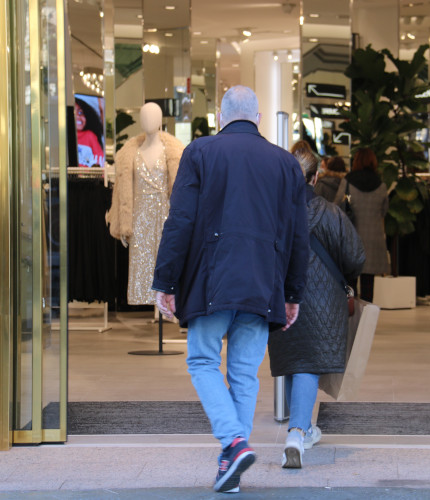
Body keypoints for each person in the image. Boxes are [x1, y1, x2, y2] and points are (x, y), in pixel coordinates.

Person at [152, 85, 309, 493]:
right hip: (262, 283)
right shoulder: (285, 163)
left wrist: (165, 281)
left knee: (203, 361)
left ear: (221, 117)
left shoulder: (200, 152)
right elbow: (297, 236)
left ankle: (233, 441)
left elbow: (180, 221)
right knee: (244, 373)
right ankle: (231, 465)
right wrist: (293, 293)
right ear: (256, 119)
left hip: (211, 280)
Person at [268, 147, 365, 469]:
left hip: (280, 299)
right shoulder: (332, 212)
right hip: (324, 301)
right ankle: (296, 433)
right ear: (315, 176)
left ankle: (305, 428)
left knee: (297, 361)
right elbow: (355, 259)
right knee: (307, 363)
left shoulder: (271, 212)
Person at [105, 102, 185, 305]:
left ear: (160, 121)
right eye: (144, 116)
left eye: (153, 116)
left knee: (166, 259)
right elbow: (121, 192)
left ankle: (167, 301)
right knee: (142, 263)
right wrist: (122, 221)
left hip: (165, 214)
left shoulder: (175, 152)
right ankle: (147, 299)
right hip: (140, 215)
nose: (148, 121)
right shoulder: (127, 154)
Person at [334, 148, 390, 302]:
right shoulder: (381, 185)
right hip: (373, 241)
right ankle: (367, 320)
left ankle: (353, 320)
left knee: (351, 283)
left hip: (352, 239)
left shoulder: (348, 182)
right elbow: (384, 211)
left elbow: (338, 205)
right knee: (368, 282)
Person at [75, 97, 105, 167]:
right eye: (74, 113)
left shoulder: (89, 135)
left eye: (80, 112)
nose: (77, 116)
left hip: (90, 176)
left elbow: (100, 161)